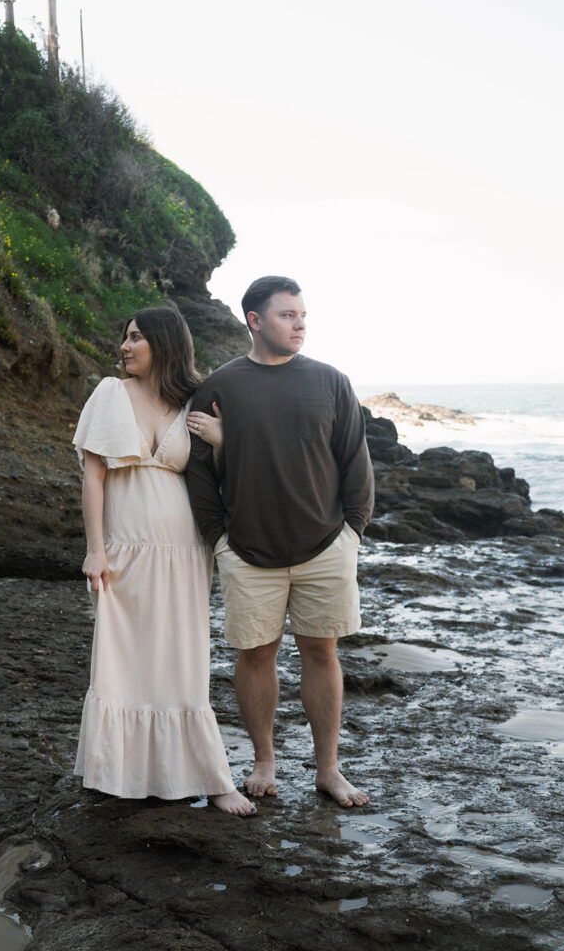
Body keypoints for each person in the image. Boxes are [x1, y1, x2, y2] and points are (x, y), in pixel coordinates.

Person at [186, 277, 375, 808]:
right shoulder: (222, 386)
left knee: (321, 652)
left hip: (325, 545)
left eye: (303, 315)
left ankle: (328, 770)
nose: (299, 324)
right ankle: (264, 760)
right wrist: (219, 540)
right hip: (247, 551)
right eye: (287, 315)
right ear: (255, 320)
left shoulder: (330, 381)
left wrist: (352, 532)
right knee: (256, 655)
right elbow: (198, 472)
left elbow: (355, 460)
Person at [73, 305, 255, 816]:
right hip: (124, 549)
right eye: (125, 337)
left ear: (165, 343)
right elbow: (93, 477)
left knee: (183, 659)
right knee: (121, 659)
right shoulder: (110, 393)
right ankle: (117, 771)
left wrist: (222, 441)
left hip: (186, 551)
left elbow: (225, 473)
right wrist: (95, 549)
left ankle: (212, 777)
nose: (125, 346)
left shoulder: (194, 402)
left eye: (137, 337)